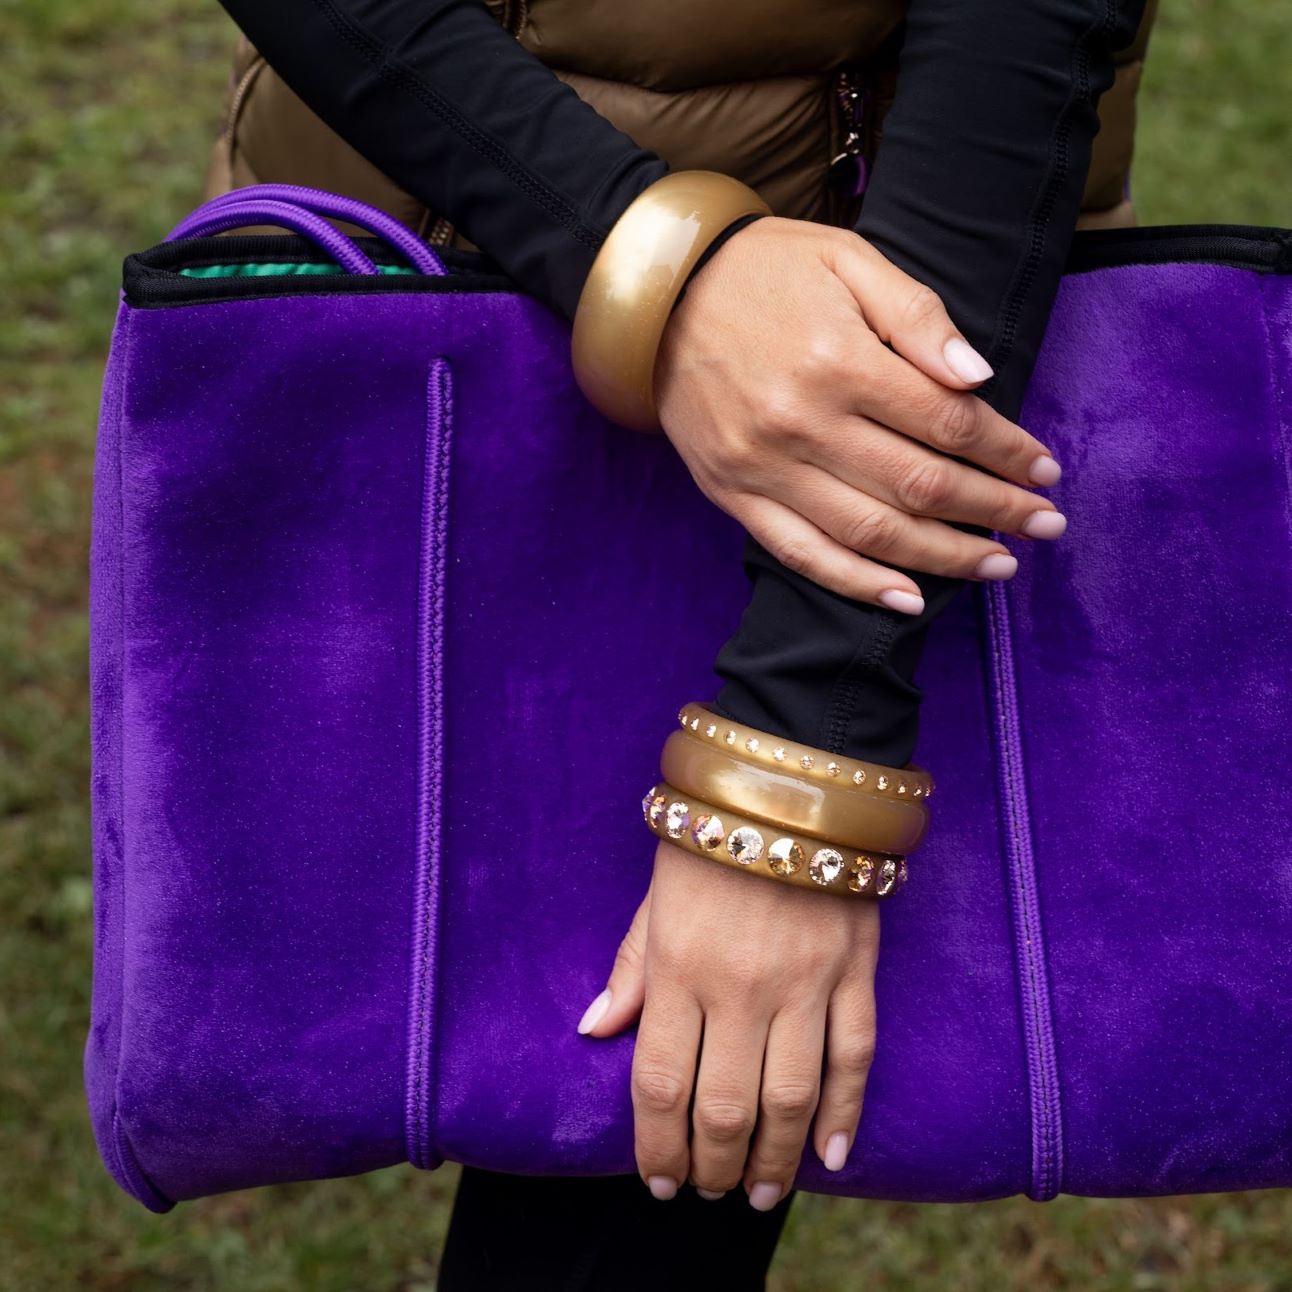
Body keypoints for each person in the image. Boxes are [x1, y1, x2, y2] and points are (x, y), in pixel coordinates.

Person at [204, 0, 1156, 1285]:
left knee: (661, 1129)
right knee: (298, 934)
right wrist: (655, 261)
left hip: (842, 381)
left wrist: (800, 759)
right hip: (380, 304)